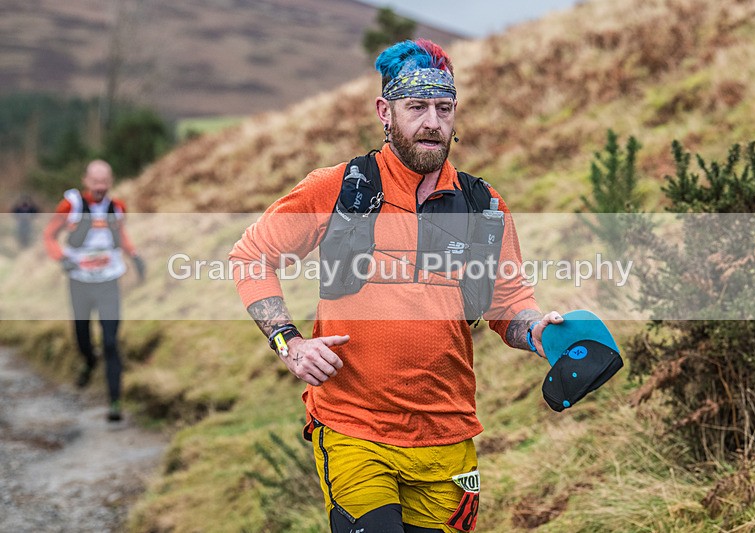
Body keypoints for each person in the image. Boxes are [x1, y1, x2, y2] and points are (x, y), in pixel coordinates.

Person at [230, 39, 562, 532]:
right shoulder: (340, 187)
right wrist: (290, 342)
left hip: (447, 435)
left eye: (443, 108)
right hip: (353, 427)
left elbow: (508, 305)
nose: (432, 121)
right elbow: (251, 257)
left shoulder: (483, 207)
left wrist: (542, 331)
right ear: (385, 112)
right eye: (417, 107)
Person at [43, 160, 145, 422]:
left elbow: (120, 234)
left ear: (110, 182)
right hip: (79, 282)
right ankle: (88, 360)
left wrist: (134, 255)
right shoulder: (71, 206)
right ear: (85, 181)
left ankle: (115, 403)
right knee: (82, 337)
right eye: (95, 181)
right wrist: (61, 258)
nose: (100, 186)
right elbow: (49, 236)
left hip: (109, 281)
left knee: (111, 342)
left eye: (104, 181)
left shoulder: (117, 207)